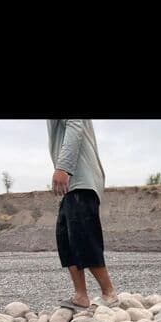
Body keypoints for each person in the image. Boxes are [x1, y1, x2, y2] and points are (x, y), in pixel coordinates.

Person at [47, 119, 118, 309]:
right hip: (74, 183)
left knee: (84, 236)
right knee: (66, 239)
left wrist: (64, 167)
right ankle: (81, 295)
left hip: (81, 178)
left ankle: (109, 293)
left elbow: (75, 124)